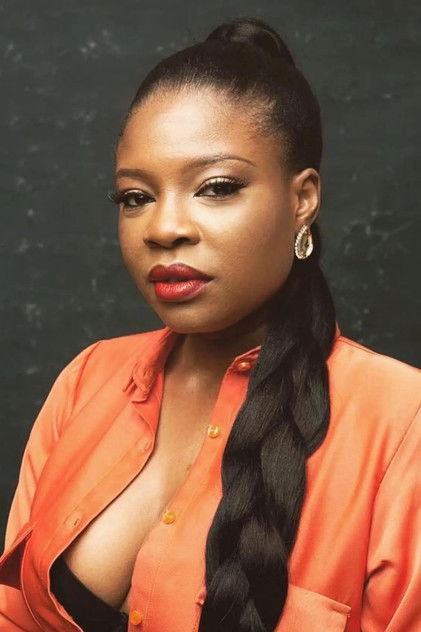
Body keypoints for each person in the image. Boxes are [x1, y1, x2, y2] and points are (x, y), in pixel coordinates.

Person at [0, 15, 420, 632]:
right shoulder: (88, 380)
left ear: (302, 199)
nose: (164, 228)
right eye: (136, 197)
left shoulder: (402, 425)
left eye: (216, 187)